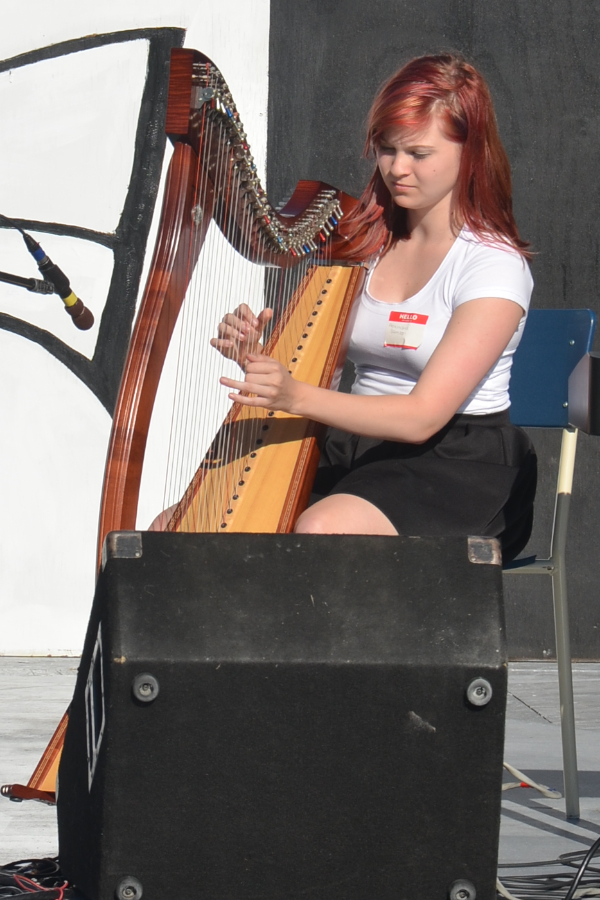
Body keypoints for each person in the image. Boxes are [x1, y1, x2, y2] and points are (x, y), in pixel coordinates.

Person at [211, 53, 537, 560]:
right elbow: (321, 369)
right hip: (358, 449)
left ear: (469, 151)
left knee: (321, 528)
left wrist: (292, 396)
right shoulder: (365, 244)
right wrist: (257, 355)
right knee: (184, 526)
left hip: (456, 464)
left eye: (419, 153)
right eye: (387, 149)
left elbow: (422, 417)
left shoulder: (493, 265)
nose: (397, 169)